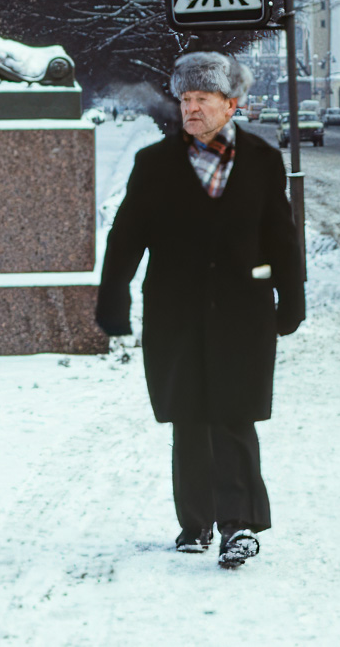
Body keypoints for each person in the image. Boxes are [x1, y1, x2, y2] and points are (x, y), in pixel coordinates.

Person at [96, 51, 304, 570]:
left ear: (230, 105)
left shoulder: (261, 160)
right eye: (185, 99)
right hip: (175, 310)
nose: (191, 108)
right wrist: (112, 300)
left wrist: (292, 297)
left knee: (232, 414)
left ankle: (239, 527)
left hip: (242, 311)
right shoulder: (154, 164)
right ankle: (195, 522)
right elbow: (125, 239)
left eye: (202, 99)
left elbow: (280, 235)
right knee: (188, 414)